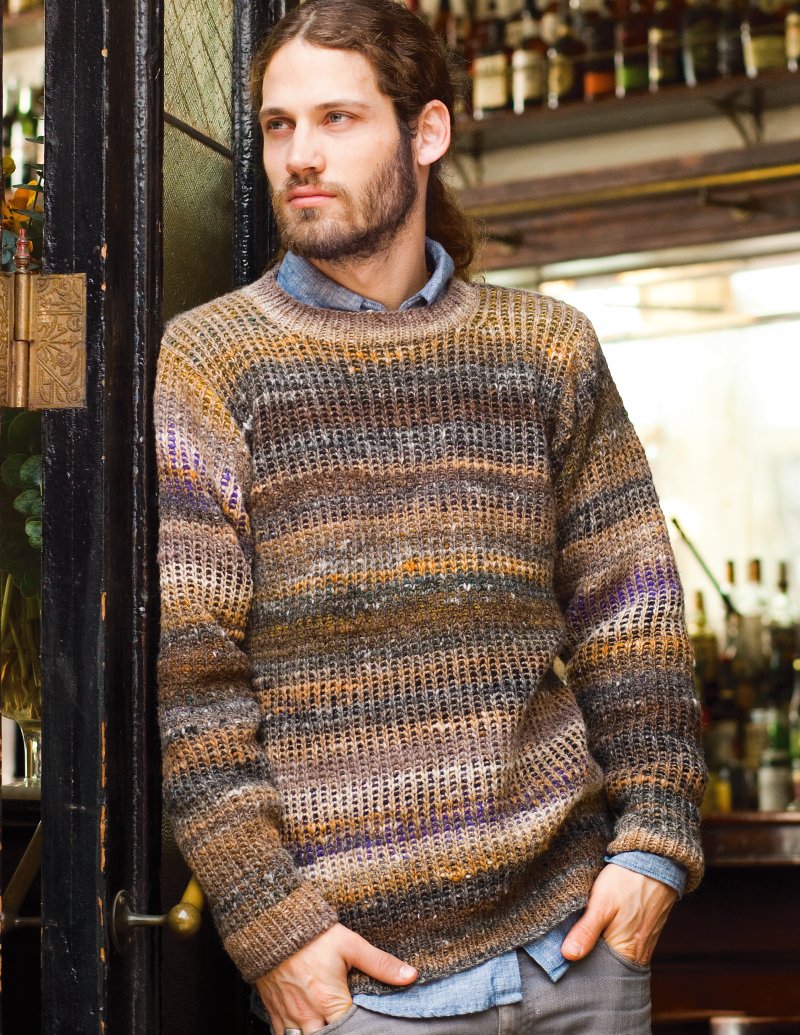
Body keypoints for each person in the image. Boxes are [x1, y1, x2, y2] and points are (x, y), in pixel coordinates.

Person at [153, 1, 708, 1032]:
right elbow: (196, 680)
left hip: (572, 960)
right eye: (278, 125)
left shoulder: (545, 348)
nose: (300, 155)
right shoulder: (214, 359)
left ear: (427, 132)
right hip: (359, 995)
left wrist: (653, 850)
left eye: (338, 118)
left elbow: (630, 617)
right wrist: (272, 927)